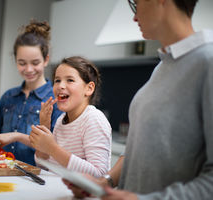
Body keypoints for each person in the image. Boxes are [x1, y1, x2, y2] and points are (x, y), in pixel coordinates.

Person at [64, 0, 213, 199]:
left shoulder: (208, 62)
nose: (134, 16)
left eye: (136, 4)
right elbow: (139, 152)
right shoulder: (162, 68)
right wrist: (105, 182)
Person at [0, 20, 62, 166]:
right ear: (15, 61)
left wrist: (14, 136)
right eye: (22, 63)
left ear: (46, 60)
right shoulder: (8, 97)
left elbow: (56, 148)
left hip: (34, 176)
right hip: (1, 170)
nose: (29, 69)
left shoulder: (56, 99)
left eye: (35, 63)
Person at [29, 56, 112, 177]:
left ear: (89, 88)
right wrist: (44, 128)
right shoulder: (60, 121)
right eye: (57, 80)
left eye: (70, 80)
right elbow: (44, 167)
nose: (61, 86)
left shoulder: (94, 119)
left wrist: (52, 148)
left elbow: (99, 175)